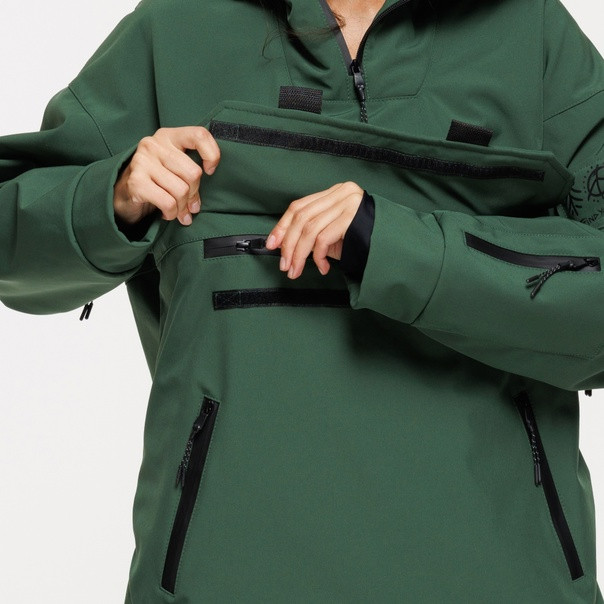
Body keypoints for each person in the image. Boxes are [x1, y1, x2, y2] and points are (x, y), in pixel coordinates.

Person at [1, 0, 603, 601]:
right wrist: (116, 195)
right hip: (226, 577)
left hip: (504, 576)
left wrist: (396, 245)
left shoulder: (533, 32)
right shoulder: (177, 26)